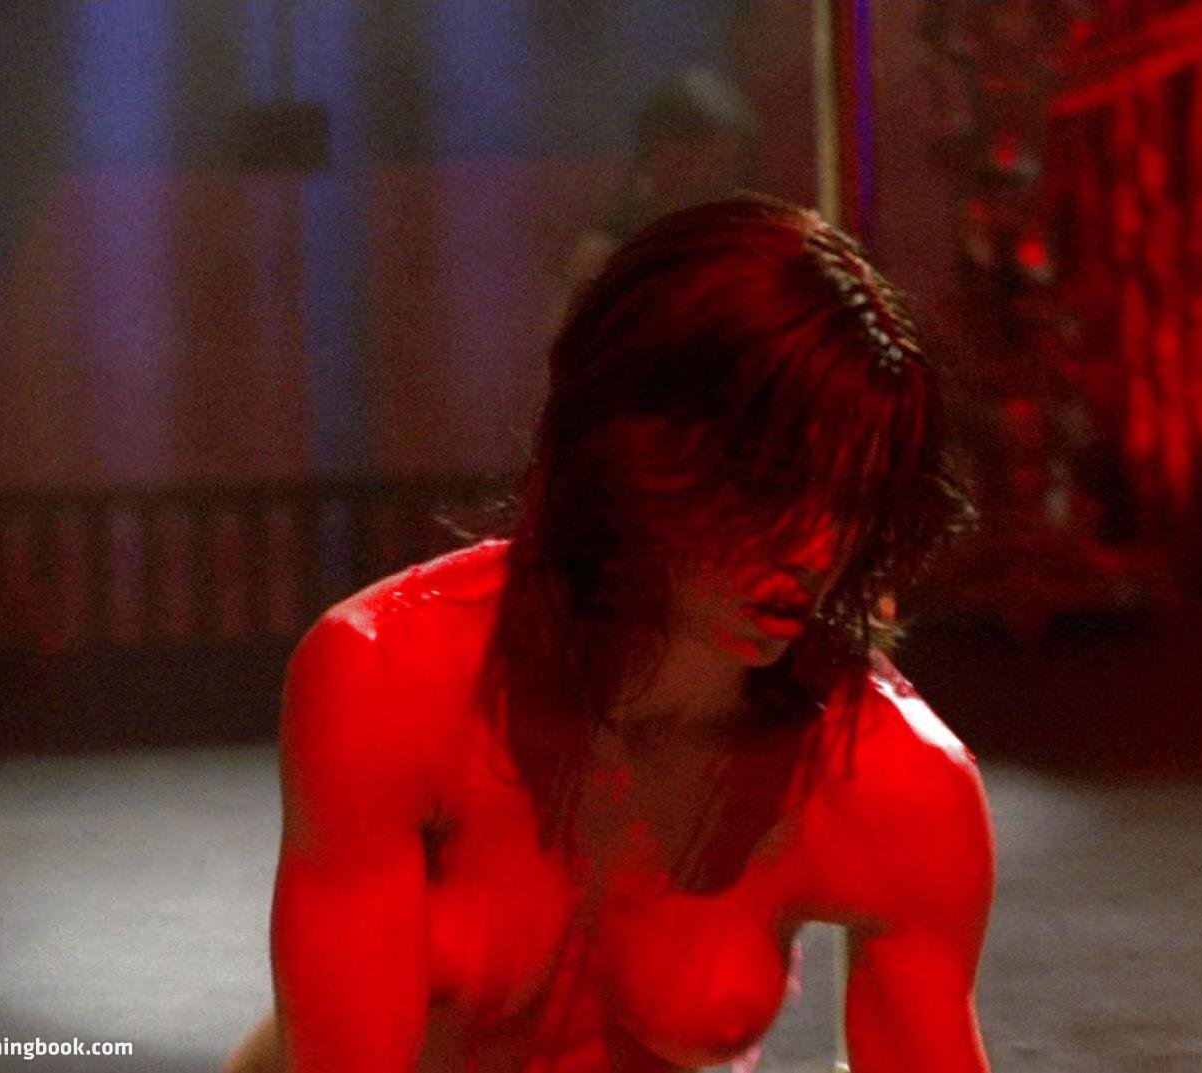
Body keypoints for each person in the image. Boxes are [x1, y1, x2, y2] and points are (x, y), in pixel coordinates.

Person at [223, 196, 993, 1072]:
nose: (816, 550)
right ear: (639, 448)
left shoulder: (899, 780)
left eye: (848, 500)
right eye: (773, 483)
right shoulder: (387, 676)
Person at [541, 68, 759, 345]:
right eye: (705, 156)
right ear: (659, 152)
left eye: (728, 162)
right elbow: (566, 346)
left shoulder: (752, 242)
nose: (721, 174)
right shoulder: (609, 254)